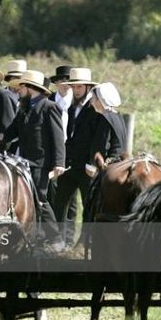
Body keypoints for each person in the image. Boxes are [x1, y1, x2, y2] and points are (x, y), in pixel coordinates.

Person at [0, 70, 66, 250]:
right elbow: (10, 133)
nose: (18, 90)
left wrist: (59, 163)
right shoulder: (23, 108)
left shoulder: (49, 107)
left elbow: (58, 137)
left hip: (40, 163)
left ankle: (55, 239)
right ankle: (33, 238)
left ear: (31, 88)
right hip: (23, 162)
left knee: (40, 200)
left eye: (21, 87)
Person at [52, 67, 103, 246]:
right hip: (69, 164)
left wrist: (92, 163)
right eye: (73, 87)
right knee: (59, 204)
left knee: (88, 207)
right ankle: (60, 240)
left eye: (79, 87)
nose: (75, 91)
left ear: (88, 88)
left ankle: (84, 242)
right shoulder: (70, 106)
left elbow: (99, 138)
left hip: (87, 168)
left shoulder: (95, 108)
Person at [47, 65, 77, 244]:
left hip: (71, 152)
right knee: (52, 195)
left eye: (69, 81)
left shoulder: (78, 103)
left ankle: (69, 238)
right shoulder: (49, 100)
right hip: (52, 151)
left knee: (71, 199)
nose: (65, 84)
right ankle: (54, 235)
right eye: (62, 80)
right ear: (56, 83)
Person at [90, 82, 128, 165]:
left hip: (110, 165)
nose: (92, 102)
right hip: (121, 163)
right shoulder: (117, 116)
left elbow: (102, 145)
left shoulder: (105, 118)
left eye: (93, 98)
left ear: (100, 100)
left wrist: (94, 165)